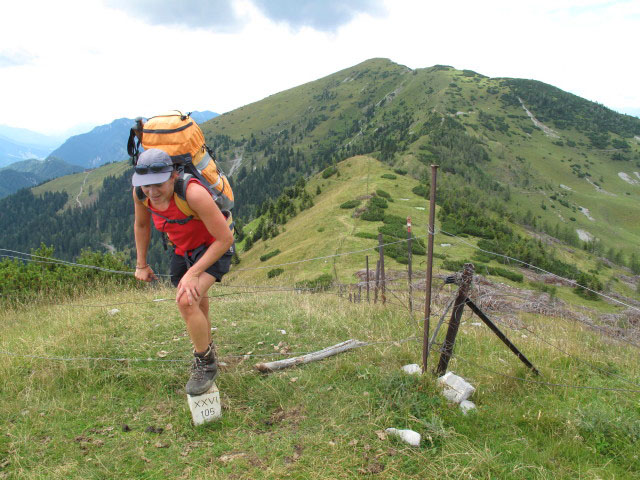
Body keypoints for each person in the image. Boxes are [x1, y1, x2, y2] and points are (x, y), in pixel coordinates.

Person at [132, 148, 234, 396]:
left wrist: (194, 273)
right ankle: (207, 348)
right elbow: (142, 224)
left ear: (173, 176)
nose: (152, 192)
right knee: (197, 302)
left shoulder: (193, 194)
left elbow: (224, 239)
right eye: (146, 185)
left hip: (214, 247)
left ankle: (205, 363)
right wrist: (141, 264)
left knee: (186, 300)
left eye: (158, 184)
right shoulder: (140, 193)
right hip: (182, 249)